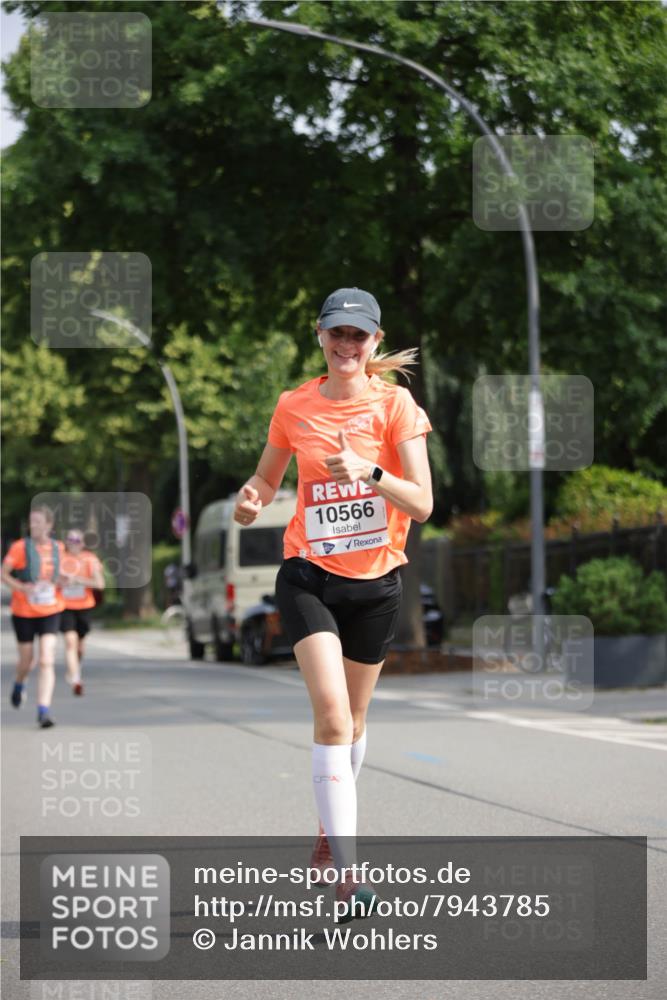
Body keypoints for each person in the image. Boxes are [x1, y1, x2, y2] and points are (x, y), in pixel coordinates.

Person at [233, 287, 433, 922]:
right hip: (308, 577)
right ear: (319, 336)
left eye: (359, 336)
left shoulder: (396, 405)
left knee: (356, 721)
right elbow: (267, 477)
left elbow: (423, 504)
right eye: (336, 333)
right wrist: (251, 496)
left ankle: (327, 826)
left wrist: (369, 473)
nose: (347, 345)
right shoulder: (294, 405)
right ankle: (349, 875)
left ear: (375, 343)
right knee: (331, 714)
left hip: (375, 583)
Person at [1, 505, 65, 728]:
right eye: (31, 521)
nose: (33, 526)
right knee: (27, 661)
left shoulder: (59, 548)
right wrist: (21, 587)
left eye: (38, 521)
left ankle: (43, 710)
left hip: (51, 609)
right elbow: (3, 574)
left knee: (47, 658)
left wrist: (64, 580)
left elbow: (64, 574)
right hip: (24, 611)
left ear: (49, 525)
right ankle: (19, 683)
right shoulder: (20, 548)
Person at [57, 529, 105, 696]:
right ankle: (76, 679)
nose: (73, 543)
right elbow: (48, 580)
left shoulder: (90, 559)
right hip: (64, 606)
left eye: (77, 540)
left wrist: (79, 580)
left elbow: (100, 584)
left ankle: (75, 667)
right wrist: (60, 581)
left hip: (84, 606)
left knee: (80, 647)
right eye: (70, 540)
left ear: (82, 543)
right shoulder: (60, 559)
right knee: (70, 641)